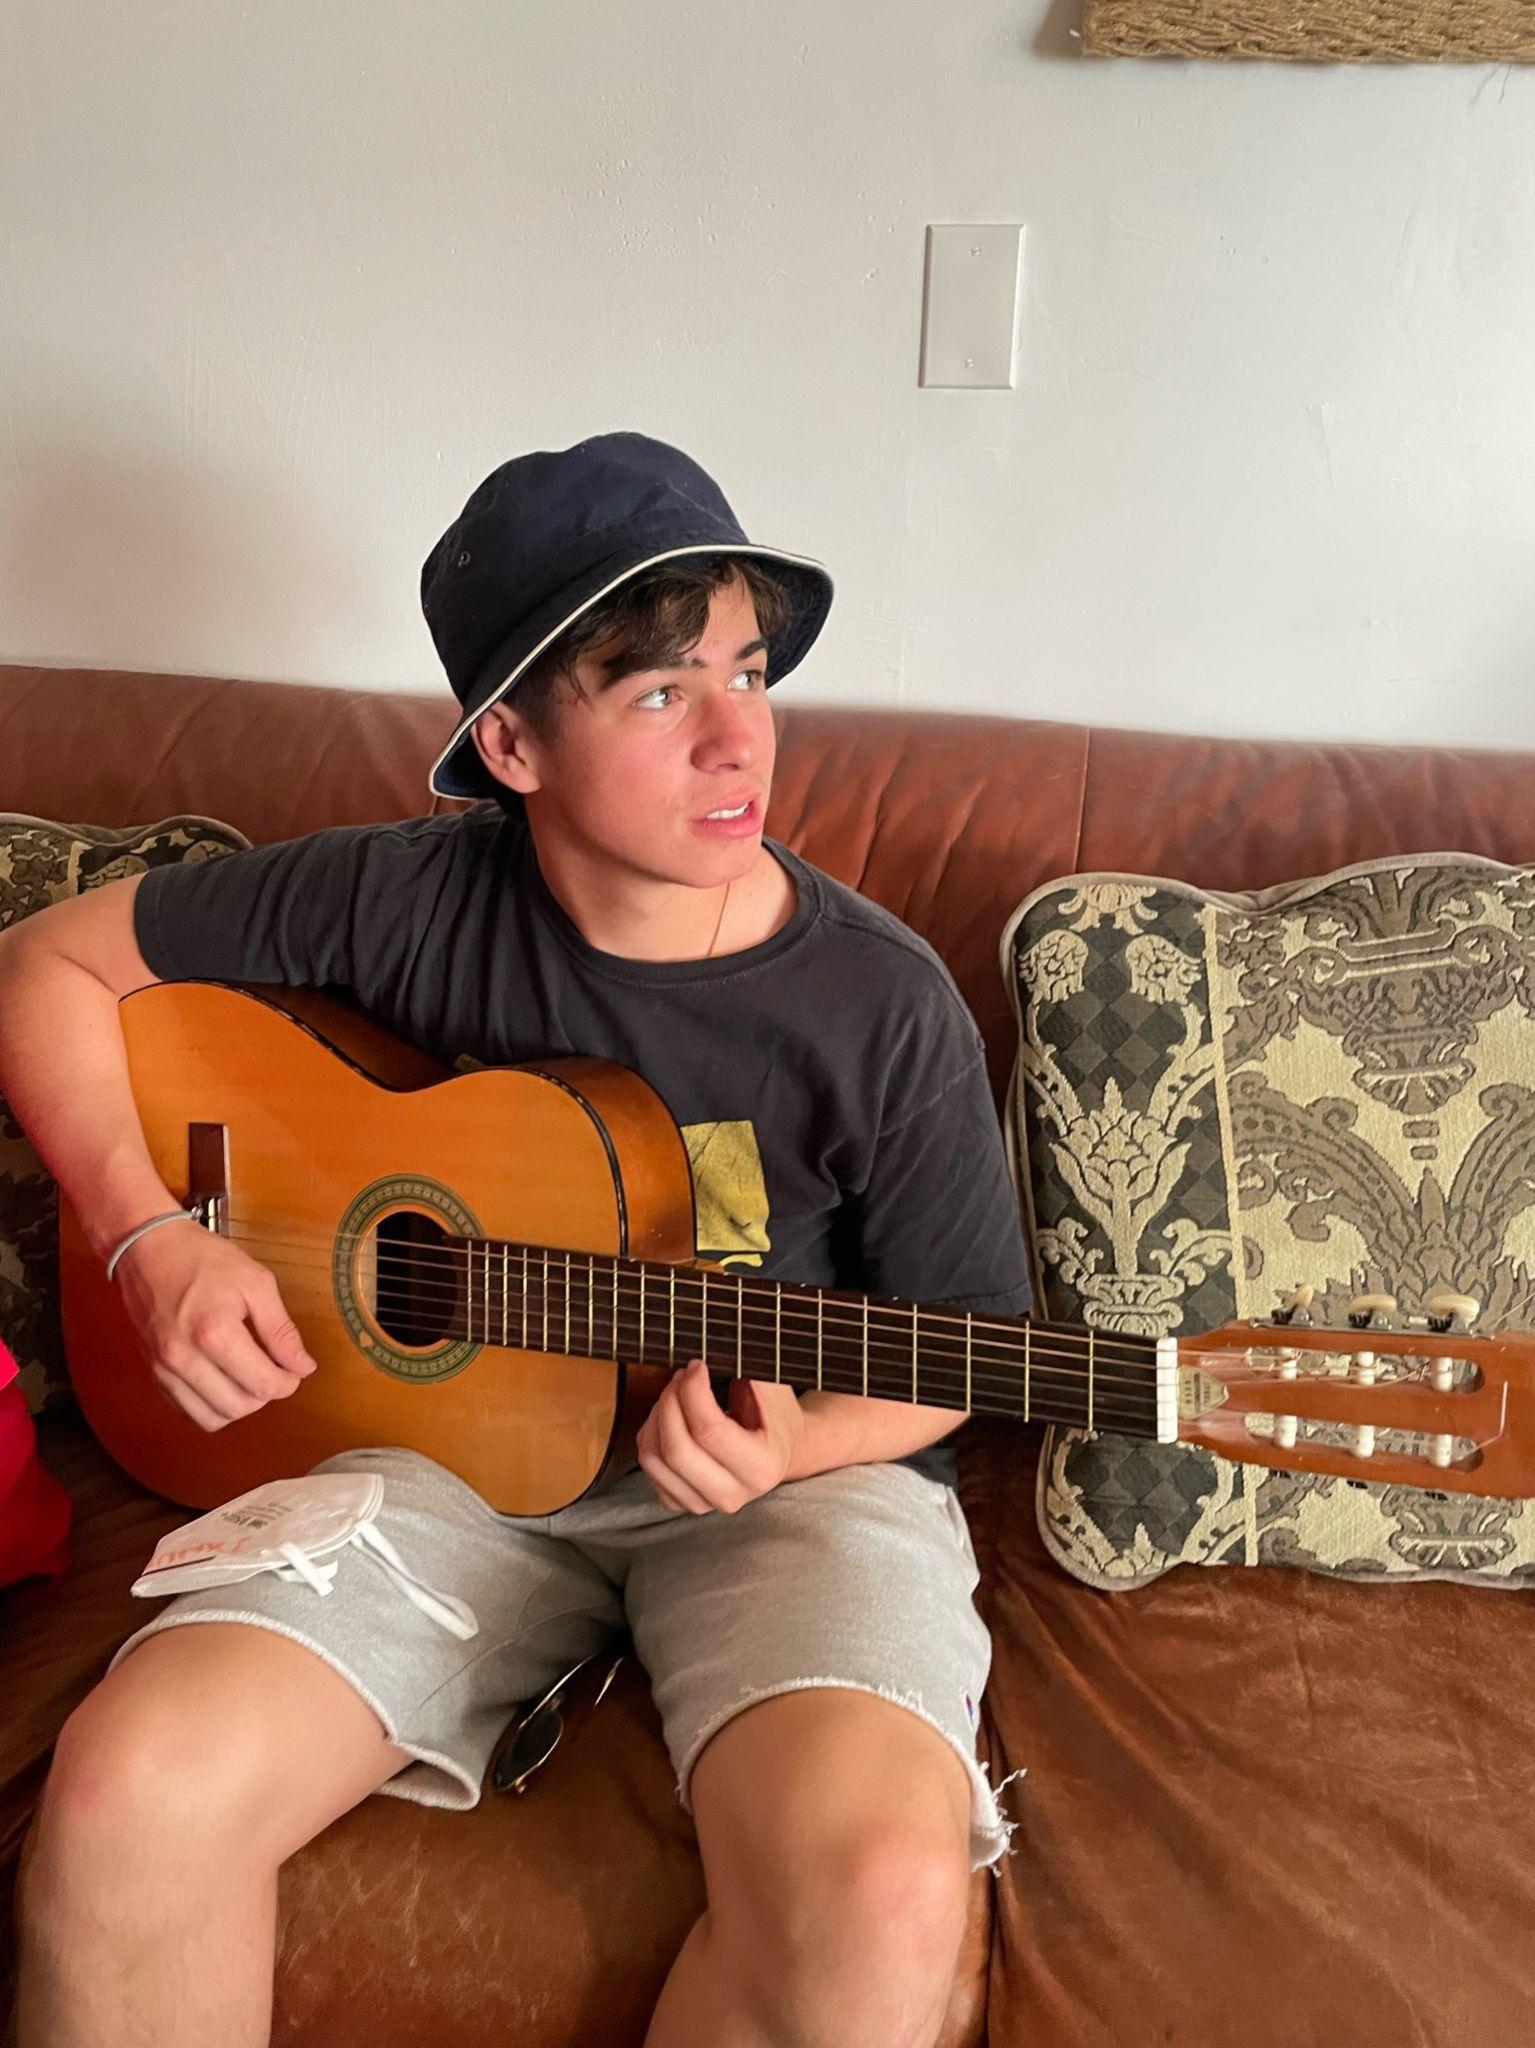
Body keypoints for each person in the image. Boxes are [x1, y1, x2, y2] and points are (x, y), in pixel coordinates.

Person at [0, 432, 1032, 2048]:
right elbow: (43, 968)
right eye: (657, 692)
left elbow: (966, 1340)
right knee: (134, 1793)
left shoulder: (879, 999)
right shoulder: (400, 899)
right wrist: (147, 1238)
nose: (737, 737)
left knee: (887, 1896)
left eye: (749, 671)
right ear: (513, 743)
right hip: (436, 1466)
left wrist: (796, 1443)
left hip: (785, 1490)